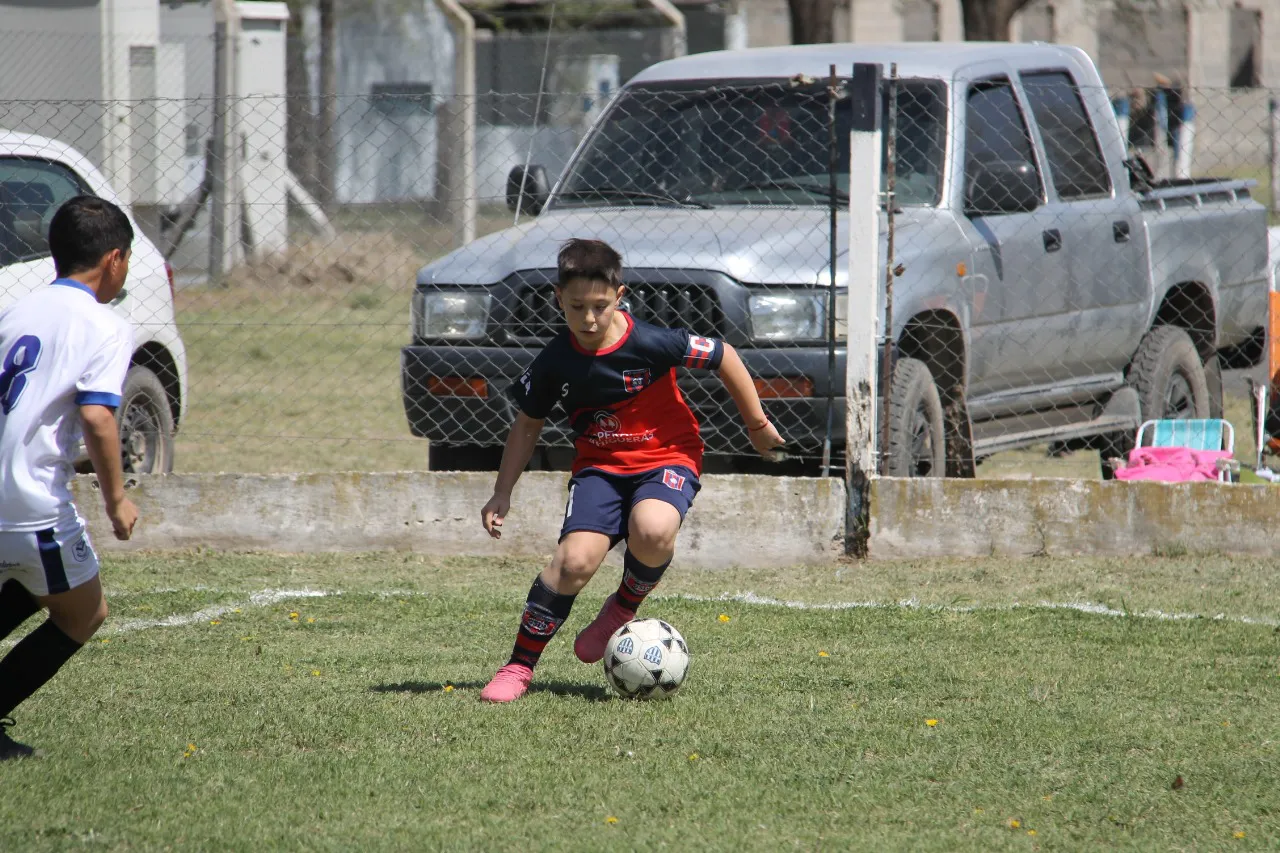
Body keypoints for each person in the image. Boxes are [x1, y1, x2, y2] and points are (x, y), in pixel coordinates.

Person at [478, 238, 785, 702]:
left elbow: (723, 355)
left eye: (599, 306)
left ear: (619, 297)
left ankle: (622, 606)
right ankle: (518, 667)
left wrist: (757, 425)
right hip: (599, 470)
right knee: (574, 563)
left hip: (668, 457)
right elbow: (526, 425)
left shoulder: (649, 342)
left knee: (653, 527)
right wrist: (502, 493)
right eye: (576, 306)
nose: (588, 318)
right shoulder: (554, 362)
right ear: (558, 299)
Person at [0, 195, 139, 759]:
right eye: (126, 258)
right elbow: (98, 415)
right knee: (84, 612)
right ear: (113, 260)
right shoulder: (104, 326)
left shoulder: (15, 312)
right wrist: (117, 500)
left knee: (38, 588)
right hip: (28, 502)